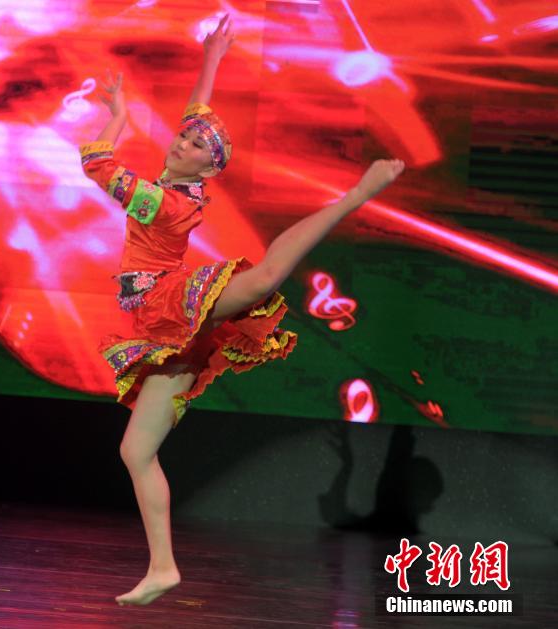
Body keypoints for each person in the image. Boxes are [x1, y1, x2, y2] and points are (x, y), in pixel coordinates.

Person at [79, 16, 405, 605]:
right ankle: (163, 568)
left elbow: (97, 164)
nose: (181, 144)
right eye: (184, 138)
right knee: (135, 451)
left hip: (170, 300)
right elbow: (197, 113)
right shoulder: (184, 180)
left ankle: (356, 196)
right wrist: (213, 57)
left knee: (266, 278)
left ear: (208, 168)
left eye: (195, 146)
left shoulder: (162, 203)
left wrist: (118, 117)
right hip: (161, 328)